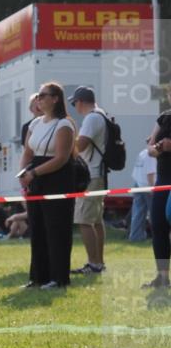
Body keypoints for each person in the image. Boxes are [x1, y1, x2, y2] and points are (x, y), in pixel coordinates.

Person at [18, 82, 76, 290]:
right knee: (38, 227)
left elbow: (61, 158)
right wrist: (23, 172)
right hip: (36, 180)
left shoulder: (64, 125)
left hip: (57, 179)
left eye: (43, 95)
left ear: (55, 99)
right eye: (38, 96)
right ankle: (38, 277)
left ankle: (58, 277)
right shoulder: (35, 124)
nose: (39, 99)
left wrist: (34, 172)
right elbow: (28, 152)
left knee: (56, 228)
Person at [70, 87, 109, 275]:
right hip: (99, 173)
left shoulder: (92, 118)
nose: (74, 107)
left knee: (84, 221)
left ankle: (94, 264)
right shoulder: (102, 115)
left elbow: (80, 145)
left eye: (74, 103)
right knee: (96, 221)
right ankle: (98, 262)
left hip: (91, 174)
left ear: (80, 101)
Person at [143, 88, 171, 289]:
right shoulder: (164, 118)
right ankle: (162, 278)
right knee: (158, 225)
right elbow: (150, 149)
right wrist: (160, 148)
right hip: (163, 179)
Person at [129, 146, 157, 242]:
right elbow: (150, 174)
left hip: (138, 184)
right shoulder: (151, 155)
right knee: (155, 213)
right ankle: (158, 237)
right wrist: (153, 190)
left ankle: (135, 236)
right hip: (147, 186)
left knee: (137, 213)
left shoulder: (142, 153)